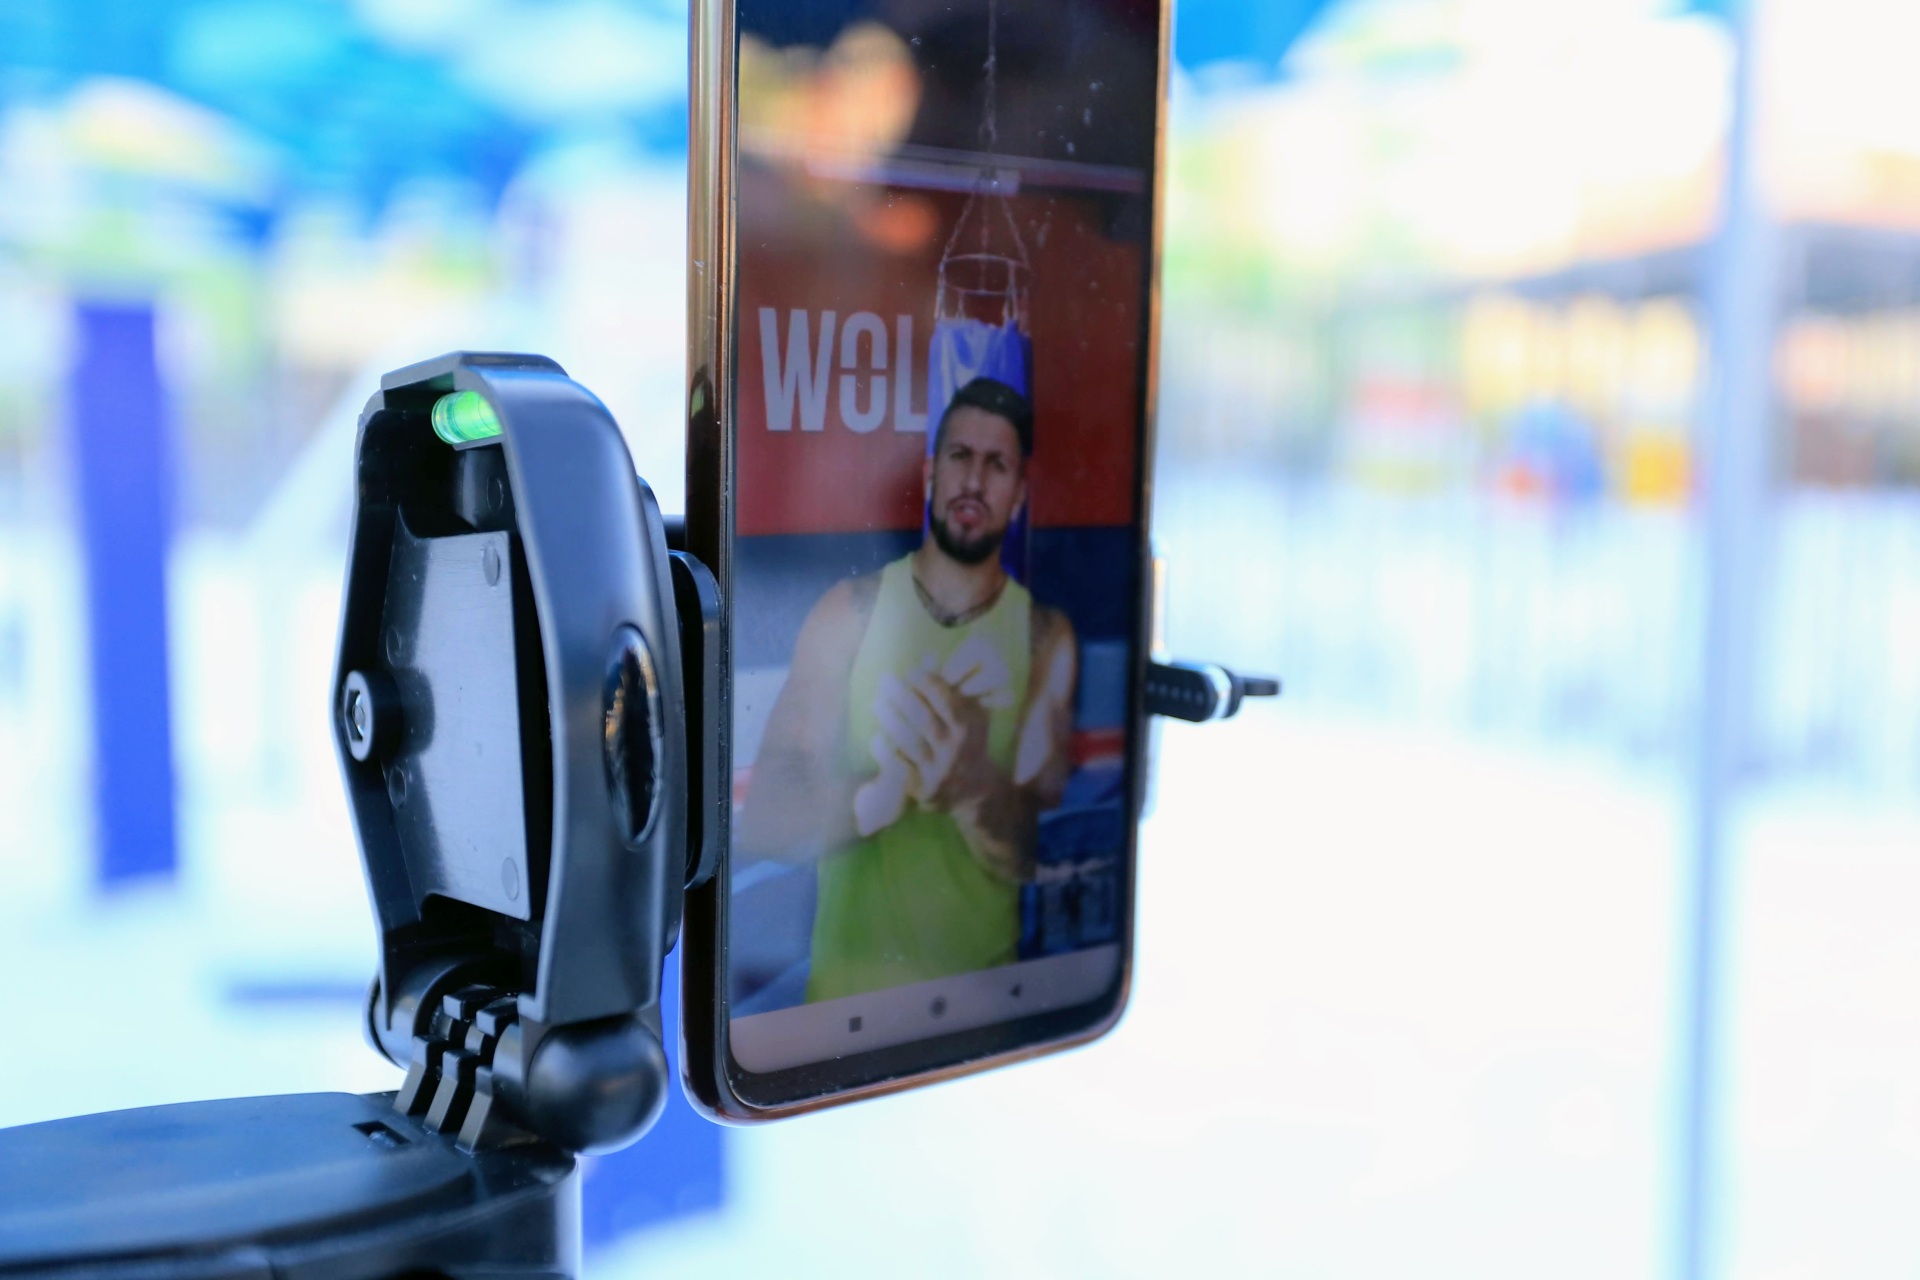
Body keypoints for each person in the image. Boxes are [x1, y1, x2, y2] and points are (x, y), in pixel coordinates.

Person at [739, 376, 1079, 1003]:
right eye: (960, 456)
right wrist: (876, 797)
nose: (973, 480)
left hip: (983, 1013)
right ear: (930, 474)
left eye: (997, 464)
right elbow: (764, 822)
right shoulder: (849, 613)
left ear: (1019, 494)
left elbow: (1044, 852)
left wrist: (972, 787)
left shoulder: (1044, 639)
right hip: (841, 1013)